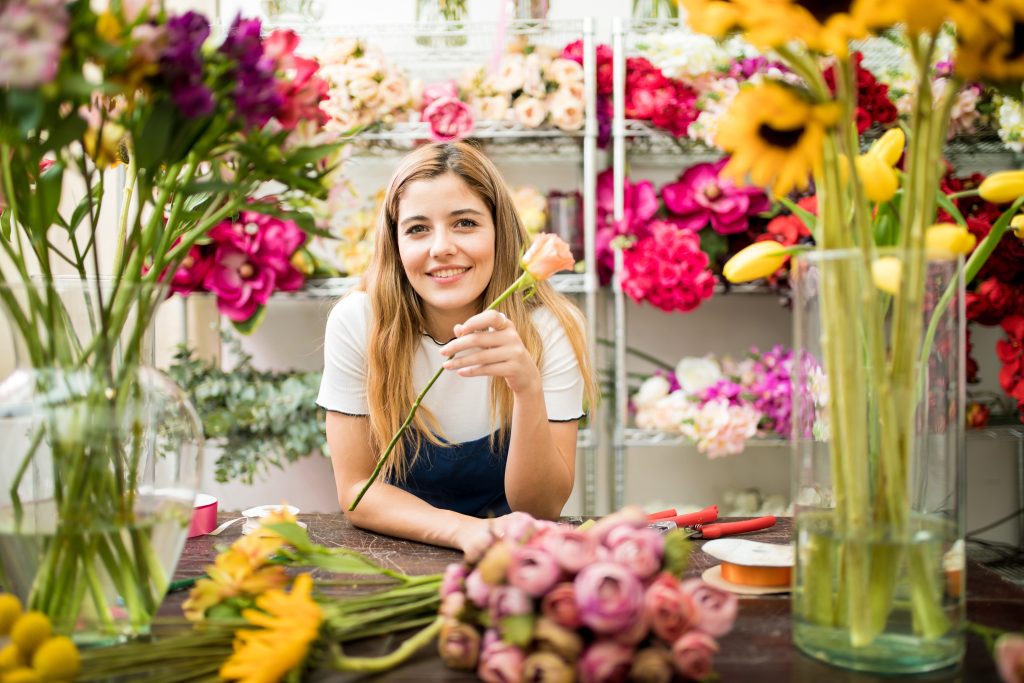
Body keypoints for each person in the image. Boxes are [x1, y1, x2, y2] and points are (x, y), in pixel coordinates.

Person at [317, 142, 597, 554]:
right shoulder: (359, 321)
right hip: (393, 555)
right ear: (395, 244)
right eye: (417, 228)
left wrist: (526, 386)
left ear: (499, 231)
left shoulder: (549, 327)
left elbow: (540, 508)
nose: (441, 247)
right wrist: (464, 532)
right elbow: (358, 490)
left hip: (509, 555)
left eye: (465, 223)